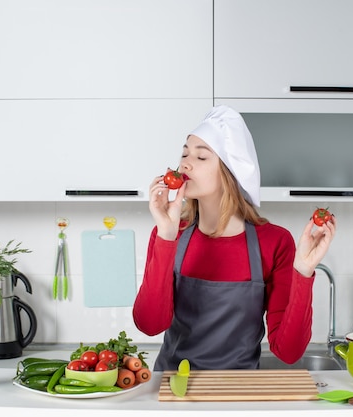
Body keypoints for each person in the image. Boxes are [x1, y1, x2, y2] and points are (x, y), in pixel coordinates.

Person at [132, 105, 336, 371]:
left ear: (230, 171)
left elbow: (288, 352)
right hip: (173, 387)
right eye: (184, 153)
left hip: (238, 391)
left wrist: (304, 272)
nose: (184, 164)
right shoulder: (172, 233)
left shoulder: (274, 242)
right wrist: (166, 236)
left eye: (201, 157)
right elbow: (149, 325)